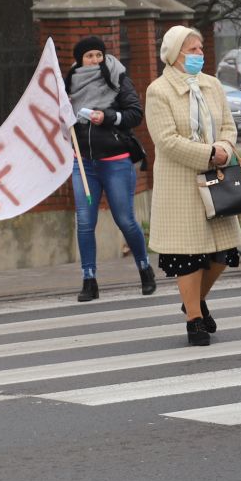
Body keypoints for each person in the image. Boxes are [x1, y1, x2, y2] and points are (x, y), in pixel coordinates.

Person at [145, 25, 241, 347]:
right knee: (189, 255)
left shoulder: (212, 85)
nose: (199, 55)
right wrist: (208, 154)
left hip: (216, 181)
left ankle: (194, 300)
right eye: (192, 51)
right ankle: (194, 319)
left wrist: (225, 149)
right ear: (174, 55)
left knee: (221, 253)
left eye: (201, 50)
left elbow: (228, 125)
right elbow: (167, 140)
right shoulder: (159, 91)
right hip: (181, 184)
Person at [66, 36, 155, 302]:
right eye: (89, 56)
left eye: (98, 55)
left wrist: (108, 117)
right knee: (84, 221)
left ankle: (144, 268)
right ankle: (89, 279)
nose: (95, 60)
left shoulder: (117, 76)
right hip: (83, 164)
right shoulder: (68, 84)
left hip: (116, 162)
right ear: (79, 60)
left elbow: (135, 114)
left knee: (125, 219)